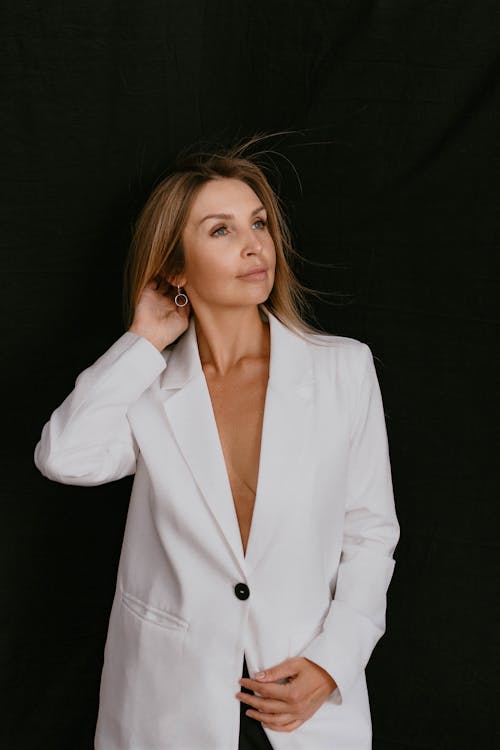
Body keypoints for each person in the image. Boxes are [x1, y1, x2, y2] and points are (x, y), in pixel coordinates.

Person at [34, 134, 400, 750]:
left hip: (298, 703)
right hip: (168, 707)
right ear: (175, 266)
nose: (255, 245)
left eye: (258, 223)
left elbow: (370, 533)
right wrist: (145, 338)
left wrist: (332, 663)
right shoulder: (147, 391)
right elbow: (63, 456)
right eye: (221, 230)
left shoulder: (343, 370)